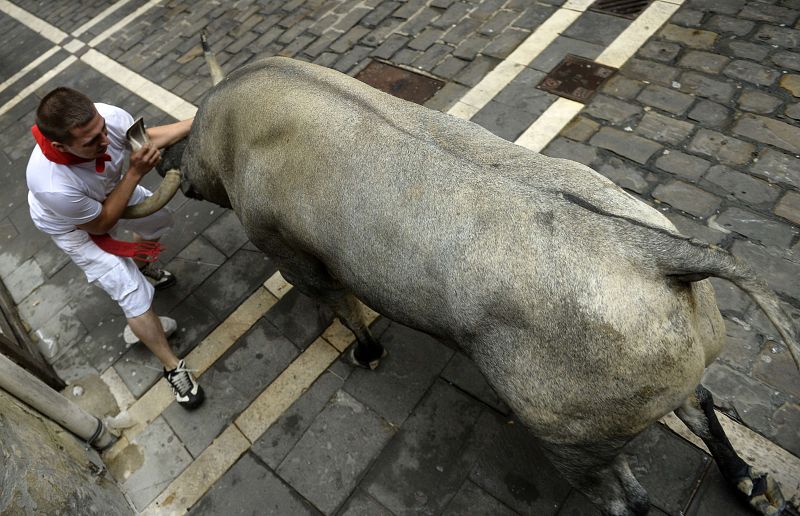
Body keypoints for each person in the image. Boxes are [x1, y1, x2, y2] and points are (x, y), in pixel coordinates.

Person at [26, 87, 204, 409]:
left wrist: (201, 119)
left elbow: (146, 139)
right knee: (131, 291)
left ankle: (142, 264)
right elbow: (102, 225)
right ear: (59, 146)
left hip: (110, 191)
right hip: (75, 224)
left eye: (103, 130)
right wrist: (135, 172)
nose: (105, 141)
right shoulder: (52, 185)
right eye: (91, 142)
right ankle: (171, 366)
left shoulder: (104, 117)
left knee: (159, 220)